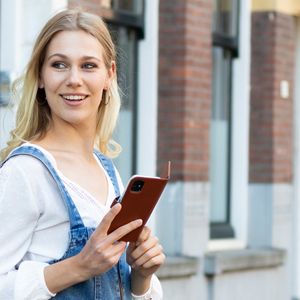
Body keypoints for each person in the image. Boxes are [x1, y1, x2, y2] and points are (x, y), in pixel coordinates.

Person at [0, 9, 165, 300]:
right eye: (59, 65)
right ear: (40, 76)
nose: (74, 79)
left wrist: (141, 276)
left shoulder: (106, 170)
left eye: (88, 66)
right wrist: (79, 267)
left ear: (108, 76)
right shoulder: (25, 172)